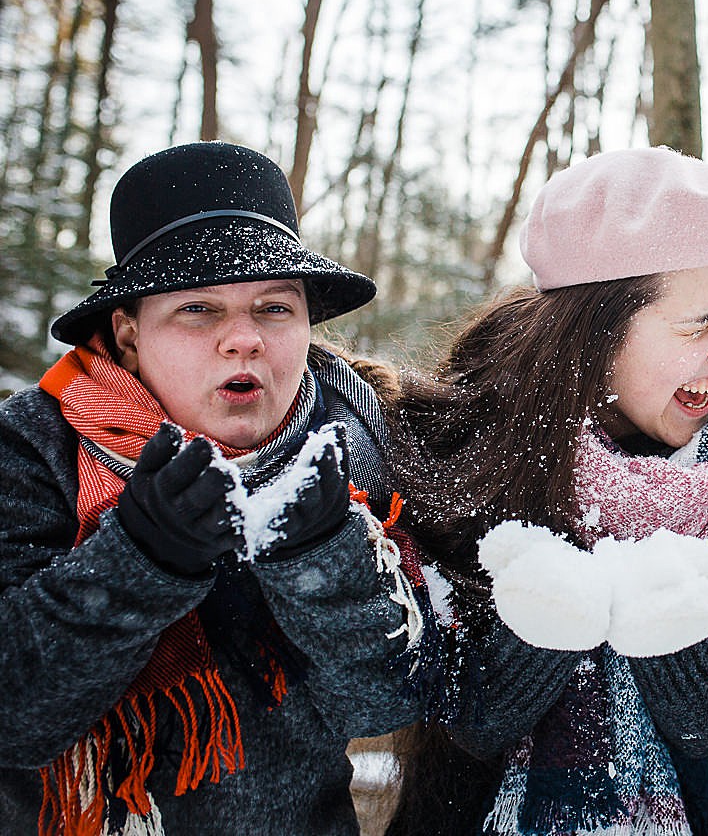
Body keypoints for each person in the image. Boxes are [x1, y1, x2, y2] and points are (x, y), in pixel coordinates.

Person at [381, 147, 708, 836]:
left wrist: (646, 586)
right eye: (698, 322)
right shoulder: (477, 444)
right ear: (595, 335)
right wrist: (556, 610)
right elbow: (470, 719)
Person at [0, 142, 428, 835]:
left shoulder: (353, 447)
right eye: (198, 309)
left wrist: (323, 555)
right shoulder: (33, 448)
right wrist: (140, 559)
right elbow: (13, 719)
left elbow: (386, 705)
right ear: (129, 334)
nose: (243, 339)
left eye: (273, 308)